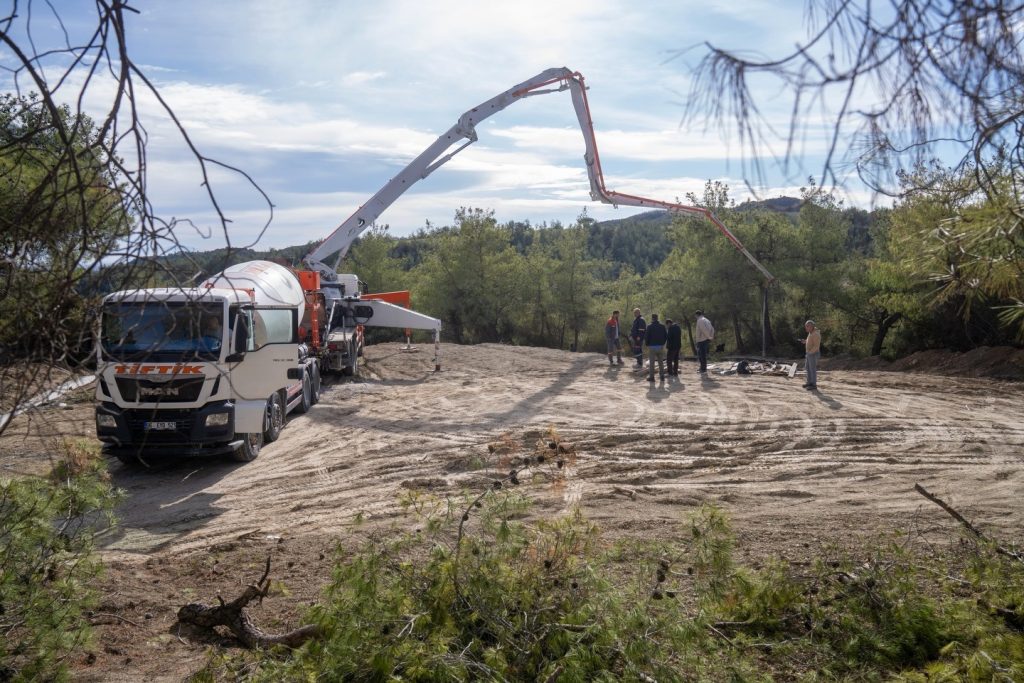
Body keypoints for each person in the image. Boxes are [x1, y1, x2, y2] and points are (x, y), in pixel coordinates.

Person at [644, 313, 668, 381]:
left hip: (652, 347)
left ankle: (652, 377)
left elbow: (646, 337)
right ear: (657, 318)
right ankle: (662, 376)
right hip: (660, 346)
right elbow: (666, 336)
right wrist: (662, 343)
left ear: (652, 318)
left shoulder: (649, 326)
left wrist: (647, 344)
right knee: (661, 362)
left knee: (652, 363)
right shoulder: (662, 326)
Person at [801, 320, 821, 390]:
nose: (806, 328)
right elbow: (811, 341)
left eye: (807, 326)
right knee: (808, 368)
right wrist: (805, 341)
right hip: (809, 353)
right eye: (805, 326)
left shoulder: (815, 334)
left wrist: (810, 353)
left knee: (812, 369)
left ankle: (813, 385)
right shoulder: (811, 333)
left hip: (813, 354)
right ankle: (809, 382)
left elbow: (816, 346)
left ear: (812, 326)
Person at [694, 309, 715, 374]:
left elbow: (703, 330)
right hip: (706, 339)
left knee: (701, 355)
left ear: (697, 315)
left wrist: (708, 337)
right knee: (702, 354)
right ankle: (702, 368)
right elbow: (712, 329)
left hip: (701, 340)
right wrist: (711, 337)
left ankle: (703, 369)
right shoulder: (707, 320)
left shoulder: (700, 320)